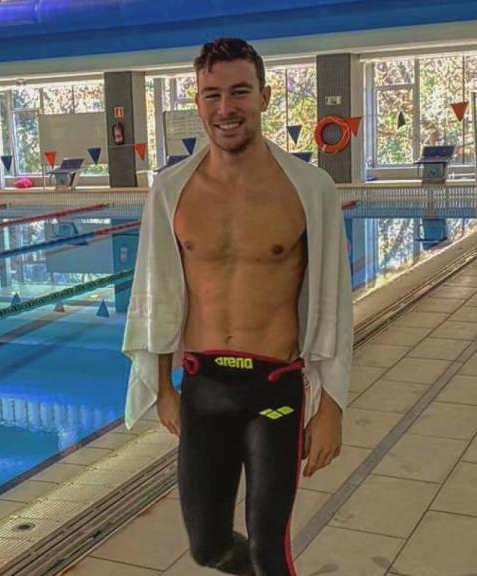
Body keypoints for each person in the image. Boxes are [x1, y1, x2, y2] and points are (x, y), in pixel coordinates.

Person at [121, 38, 353, 576]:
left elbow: (333, 301)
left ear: (266, 97)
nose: (226, 108)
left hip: (274, 392)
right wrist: (163, 389)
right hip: (204, 391)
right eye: (212, 95)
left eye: (240, 92)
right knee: (206, 546)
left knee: (271, 546)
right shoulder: (171, 190)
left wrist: (334, 406)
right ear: (198, 102)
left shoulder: (309, 189)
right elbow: (153, 293)